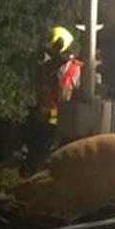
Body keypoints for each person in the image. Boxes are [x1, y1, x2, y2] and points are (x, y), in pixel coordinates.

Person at [24, 25, 82, 173]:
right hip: (43, 117)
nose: (49, 51)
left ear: (61, 45)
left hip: (62, 120)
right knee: (38, 152)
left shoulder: (74, 68)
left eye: (53, 47)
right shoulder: (46, 66)